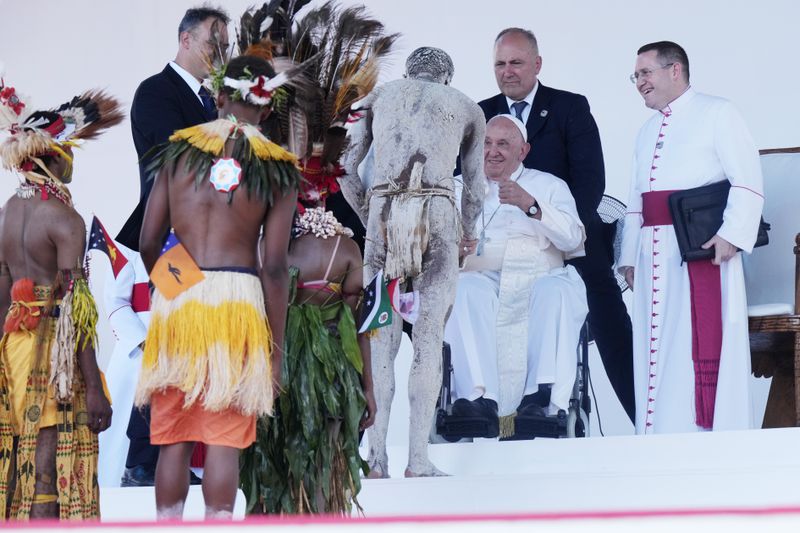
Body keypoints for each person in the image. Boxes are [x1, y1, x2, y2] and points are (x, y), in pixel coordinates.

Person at [134, 54, 300, 519]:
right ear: (266, 109)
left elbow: (148, 241)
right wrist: (276, 350)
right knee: (224, 438)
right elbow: (273, 267)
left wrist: (180, 284)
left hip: (181, 297)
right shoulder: (279, 167)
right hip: (238, 302)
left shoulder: (178, 151)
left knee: (174, 438)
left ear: (219, 96)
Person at [477, 27, 636, 423]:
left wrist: (557, 236)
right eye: (500, 63)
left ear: (537, 64)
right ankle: (478, 407)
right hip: (497, 243)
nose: (508, 71)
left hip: (568, 236)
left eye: (516, 62)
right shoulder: (479, 113)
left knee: (608, 319)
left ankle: (645, 419)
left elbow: (590, 182)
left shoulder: (569, 107)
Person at [341, 47, 485, 478]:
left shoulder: (379, 97)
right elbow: (475, 187)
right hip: (438, 213)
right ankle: (418, 459)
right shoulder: (465, 106)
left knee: (380, 337)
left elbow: (346, 167)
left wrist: (370, 212)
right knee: (426, 341)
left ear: (408, 73)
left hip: (384, 212)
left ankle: (377, 457)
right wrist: (467, 233)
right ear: (447, 76)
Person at [618, 41, 764, 434]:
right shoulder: (646, 131)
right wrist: (629, 255)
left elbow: (747, 182)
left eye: (645, 73)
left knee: (690, 342)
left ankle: (700, 432)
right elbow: (635, 200)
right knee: (653, 342)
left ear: (675, 70)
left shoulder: (718, 112)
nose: (639, 83)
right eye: (636, 76)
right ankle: (656, 432)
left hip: (701, 251)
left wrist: (731, 235)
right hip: (653, 254)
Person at [116, 5, 230, 487]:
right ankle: (142, 459)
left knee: (194, 341)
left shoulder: (210, 102)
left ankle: (163, 457)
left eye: (225, 44)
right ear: (185, 40)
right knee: (174, 338)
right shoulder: (155, 91)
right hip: (162, 241)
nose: (220, 53)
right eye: (213, 42)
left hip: (205, 241)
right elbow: (177, 161)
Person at [0, 80, 120, 519]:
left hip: (13, 352)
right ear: (53, 156)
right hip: (56, 361)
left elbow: (1, 300)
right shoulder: (65, 218)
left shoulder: (6, 215)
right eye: (68, 154)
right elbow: (76, 308)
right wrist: (93, 391)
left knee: (18, 466)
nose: (72, 164)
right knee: (47, 473)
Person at [445, 115, 587, 436]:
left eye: (503, 144)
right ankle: (479, 398)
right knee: (464, 291)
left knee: (556, 292)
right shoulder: (455, 187)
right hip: (482, 273)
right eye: (486, 143)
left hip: (539, 274)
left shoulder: (548, 185)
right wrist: (457, 248)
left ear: (523, 151)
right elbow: (434, 244)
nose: (492, 151)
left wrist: (532, 206)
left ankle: (541, 397)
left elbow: (573, 240)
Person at [241, 206, 376, 515]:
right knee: (325, 464)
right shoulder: (345, 247)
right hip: (330, 375)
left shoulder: (262, 246)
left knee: (270, 464)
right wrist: (368, 388)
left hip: (271, 371)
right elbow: (360, 329)